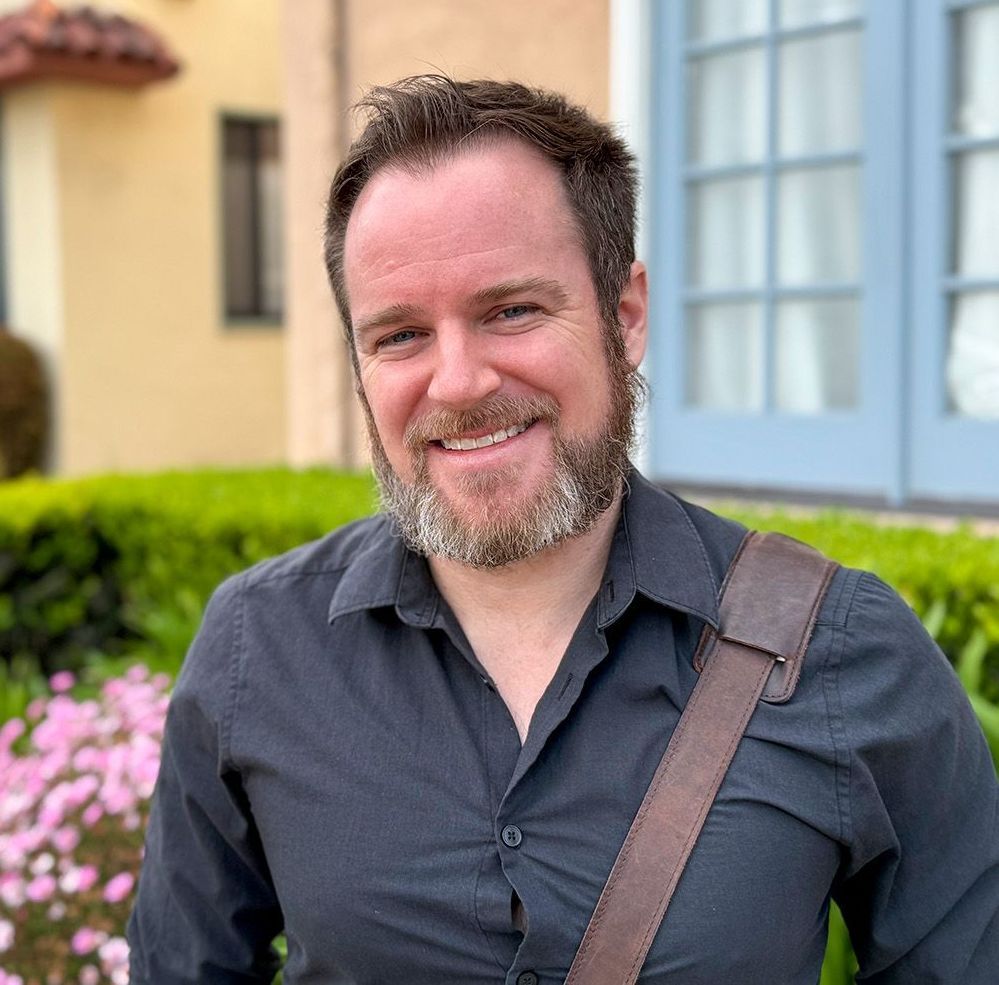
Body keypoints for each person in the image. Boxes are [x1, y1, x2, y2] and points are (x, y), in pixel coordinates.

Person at [127, 76, 999, 984]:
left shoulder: (842, 650)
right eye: (398, 335)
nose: (458, 381)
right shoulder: (256, 648)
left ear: (624, 317)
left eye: (512, 310)